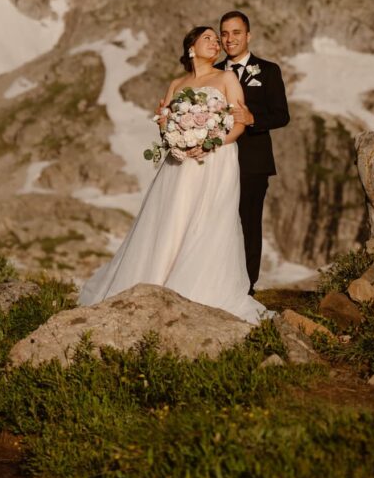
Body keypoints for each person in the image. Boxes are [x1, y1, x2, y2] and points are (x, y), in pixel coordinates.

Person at [78, 25, 268, 324]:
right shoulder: (177, 84)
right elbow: (165, 124)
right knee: (172, 217)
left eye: (217, 40)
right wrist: (172, 132)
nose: (215, 43)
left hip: (216, 160)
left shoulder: (226, 77)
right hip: (180, 163)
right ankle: (158, 280)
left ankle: (201, 289)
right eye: (208, 38)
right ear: (191, 47)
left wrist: (210, 142)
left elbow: (238, 124)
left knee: (209, 219)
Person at [216, 11, 290, 295]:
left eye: (235, 33)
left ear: (248, 35)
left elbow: (281, 115)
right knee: (219, 220)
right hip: (219, 161)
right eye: (224, 33)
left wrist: (252, 120)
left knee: (249, 222)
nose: (229, 39)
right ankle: (218, 280)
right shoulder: (214, 74)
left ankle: (246, 286)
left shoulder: (269, 70)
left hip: (254, 162)